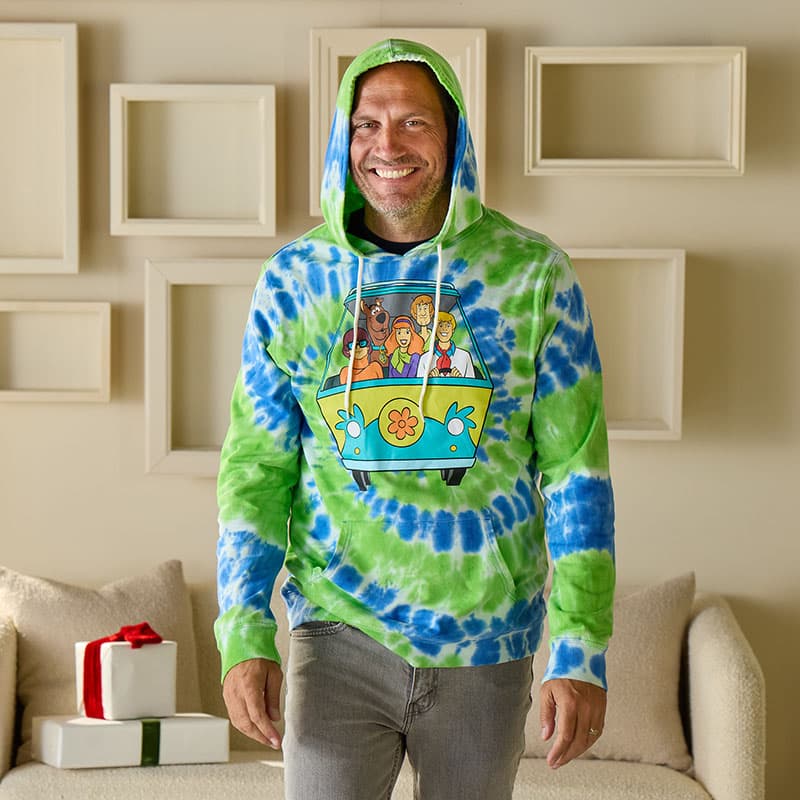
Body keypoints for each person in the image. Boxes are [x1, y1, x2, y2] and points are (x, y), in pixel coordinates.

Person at [216, 39, 615, 800]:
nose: (388, 145)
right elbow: (255, 470)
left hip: (486, 639)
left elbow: (577, 475)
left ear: (454, 136)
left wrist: (581, 649)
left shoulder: (533, 275)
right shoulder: (294, 280)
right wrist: (242, 631)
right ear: (343, 139)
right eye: (367, 124)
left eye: (413, 123)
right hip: (336, 630)